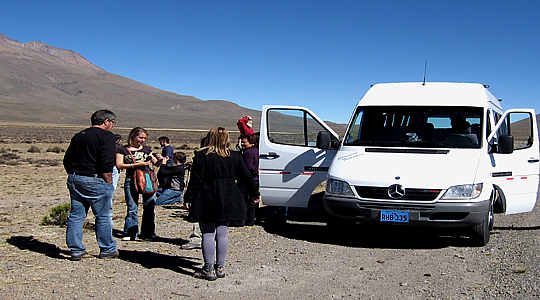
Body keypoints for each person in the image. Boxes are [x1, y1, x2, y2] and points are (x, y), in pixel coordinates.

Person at [184, 127, 260, 280]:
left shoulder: (202, 156)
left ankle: (208, 269)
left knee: (207, 232)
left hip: (207, 195)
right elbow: (246, 176)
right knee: (222, 232)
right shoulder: (235, 156)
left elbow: (196, 179)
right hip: (229, 196)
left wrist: (188, 197)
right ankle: (220, 267)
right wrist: (255, 193)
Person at [63, 110, 119, 261]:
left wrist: (74, 174)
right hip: (95, 180)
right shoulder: (107, 136)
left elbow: (67, 159)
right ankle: (107, 248)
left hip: (75, 178)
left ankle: (75, 250)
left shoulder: (79, 135)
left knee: (76, 215)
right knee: (103, 216)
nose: (113, 126)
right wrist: (108, 181)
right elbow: (106, 161)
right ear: (106, 121)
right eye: (113, 123)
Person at [116, 127, 162, 241]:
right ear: (133, 136)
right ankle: (130, 232)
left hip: (147, 178)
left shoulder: (146, 149)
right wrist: (135, 165)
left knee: (149, 206)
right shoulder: (123, 150)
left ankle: (148, 233)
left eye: (144, 138)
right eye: (140, 137)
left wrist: (160, 159)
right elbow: (119, 165)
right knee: (132, 207)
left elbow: (156, 164)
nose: (142, 140)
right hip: (131, 179)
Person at [239, 133, 260, 226]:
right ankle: (252, 219)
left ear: (251, 142)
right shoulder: (256, 150)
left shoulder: (248, 153)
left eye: (244, 142)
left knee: (245, 200)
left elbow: (248, 167)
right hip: (255, 179)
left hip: (247, 180)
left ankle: (245, 219)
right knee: (252, 200)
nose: (242, 144)